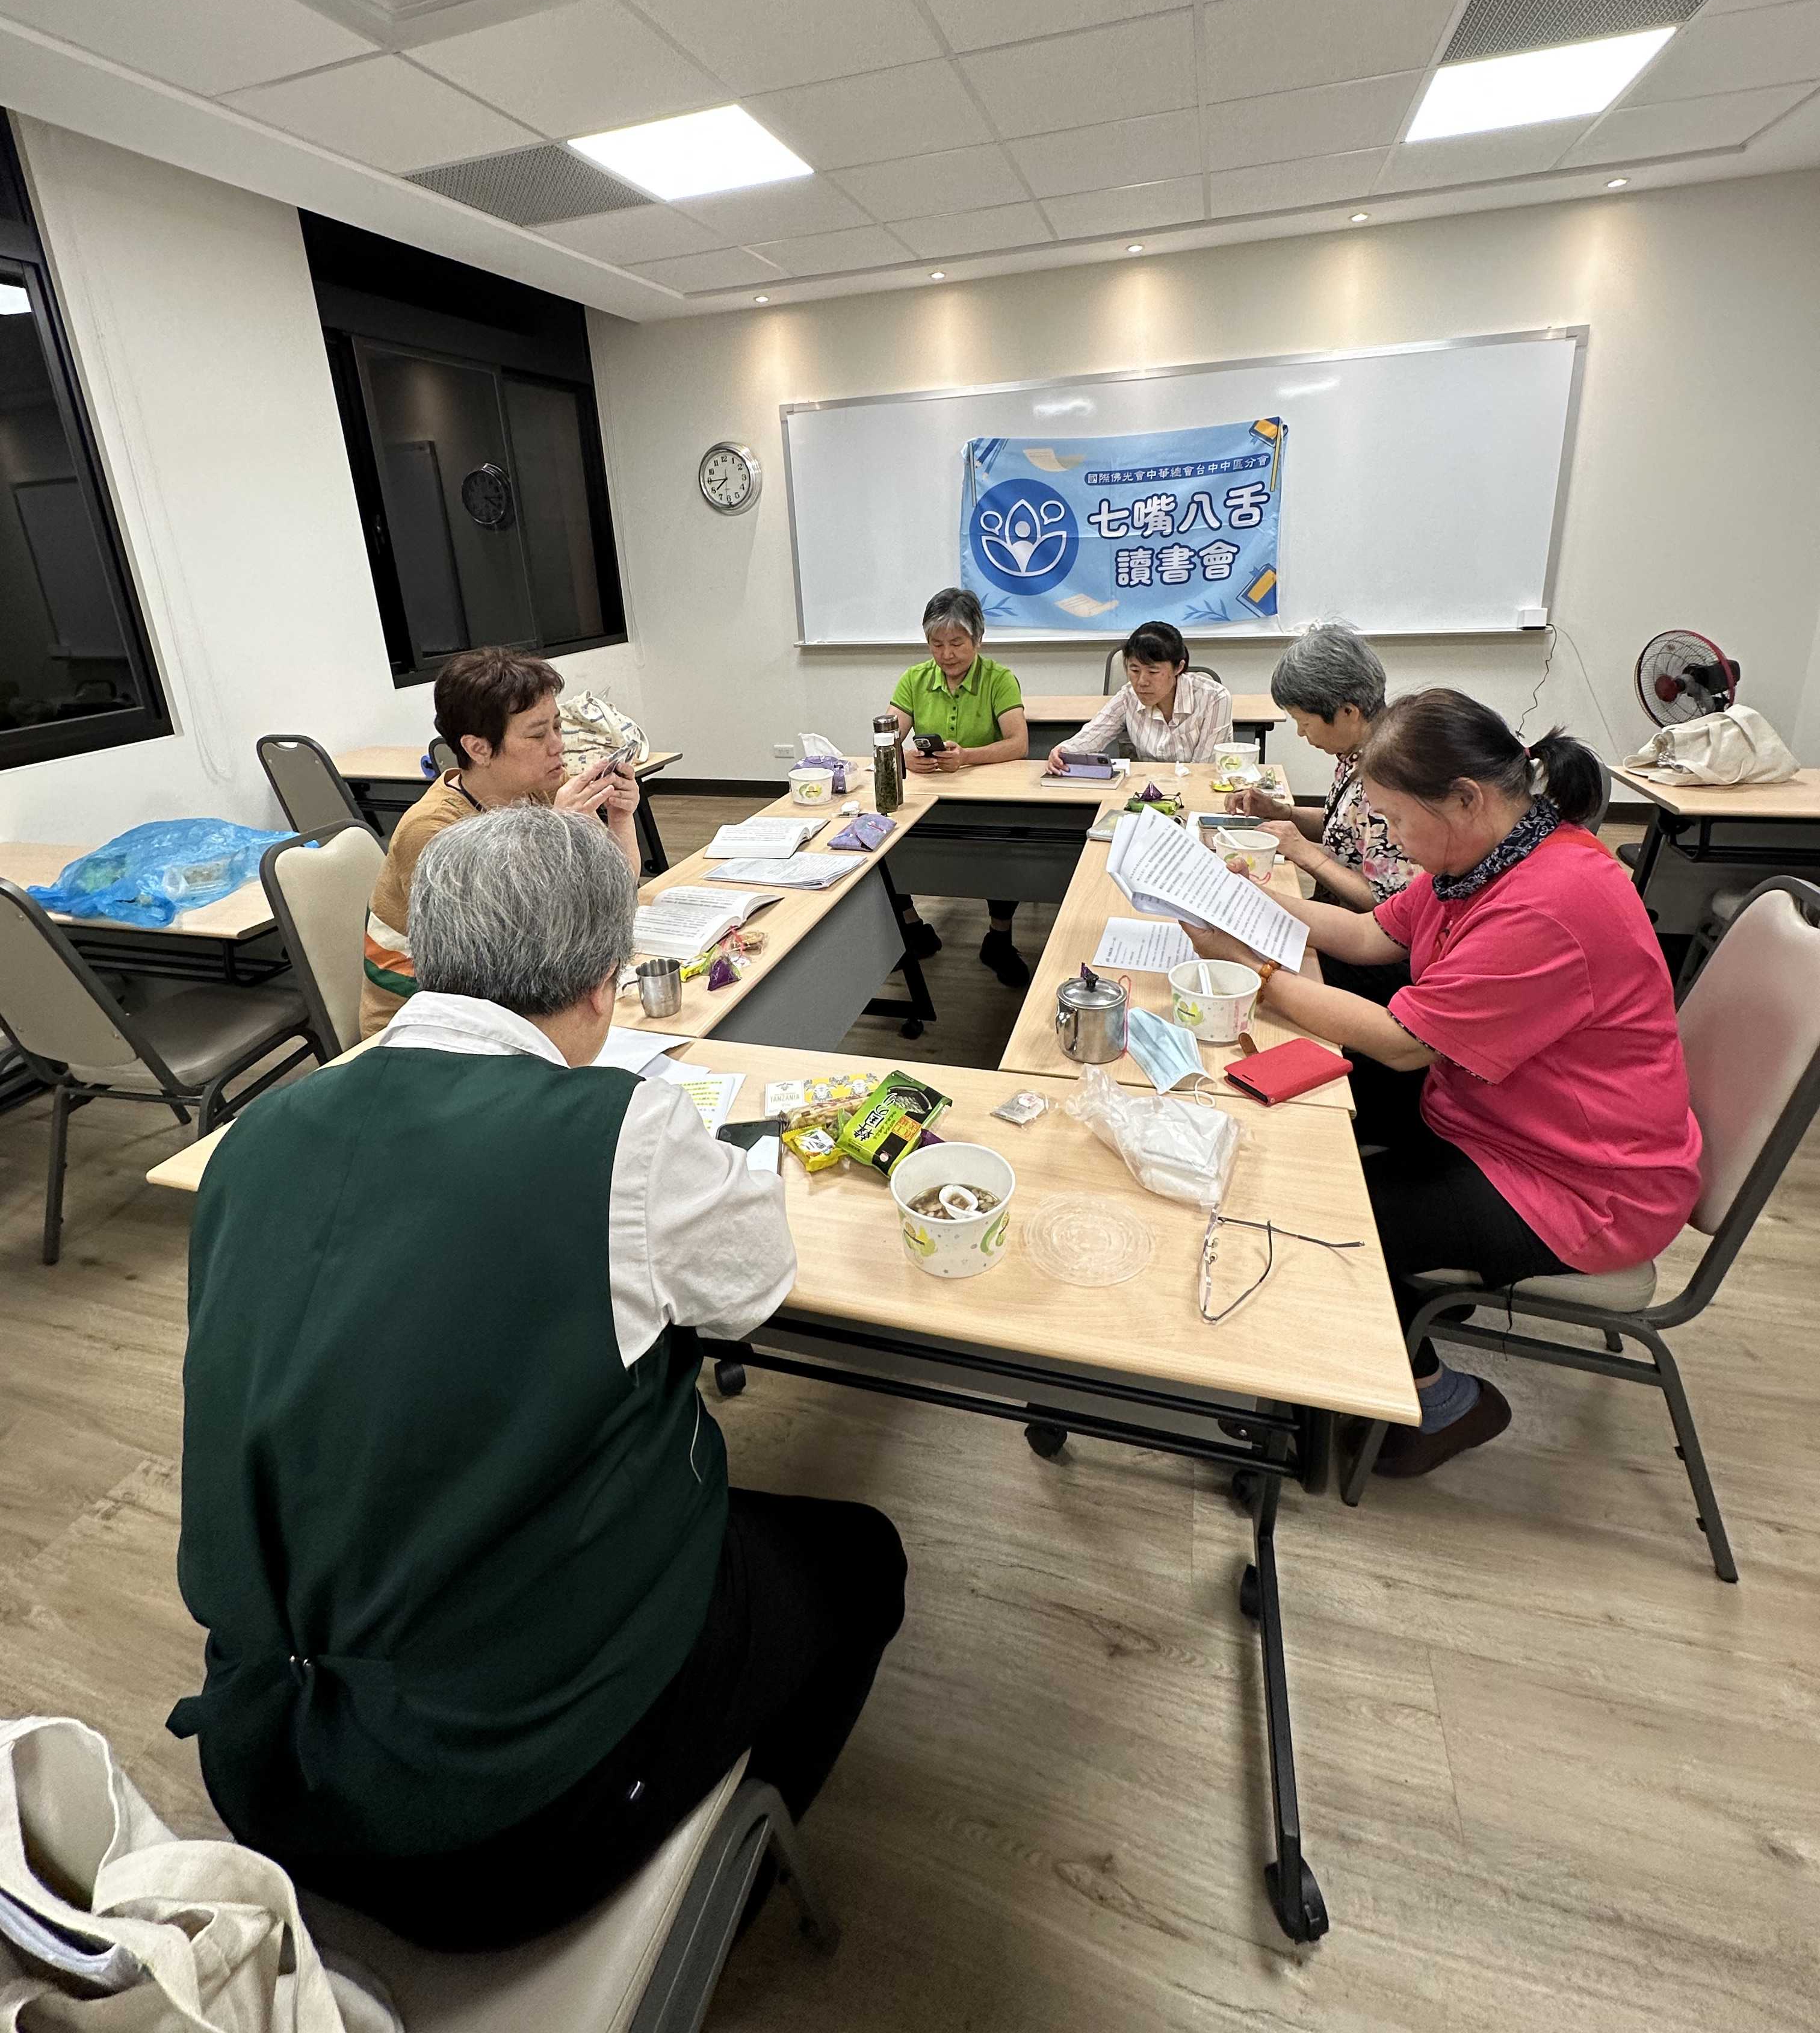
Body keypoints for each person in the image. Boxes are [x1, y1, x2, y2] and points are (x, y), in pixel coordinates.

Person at [170, 804, 907, 1951]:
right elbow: (751, 1287)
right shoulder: (621, 1130)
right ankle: (716, 1900)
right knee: (859, 1560)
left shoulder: (256, 1137)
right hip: (498, 1830)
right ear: (606, 987)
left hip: (268, 1767)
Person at [1184, 690, 1699, 1479]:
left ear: (1465, 798)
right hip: (1497, 1108)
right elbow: (1369, 933)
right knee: (1300, 1123)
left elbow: (1403, 1046)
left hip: (1582, 1181)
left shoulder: (1550, 901)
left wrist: (1252, 970)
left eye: (1395, 820)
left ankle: (1442, 1401)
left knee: (1331, 1215)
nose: (1390, 838)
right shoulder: (1494, 854)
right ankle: (1336, 1338)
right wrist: (1238, 899)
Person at [359, 646, 642, 1038]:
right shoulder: (433, 832)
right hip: (425, 1019)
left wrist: (620, 819)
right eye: (538, 734)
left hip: (516, 991)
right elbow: (503, 954)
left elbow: (616, 896)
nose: (557, 745)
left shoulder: (539, 787)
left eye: (557, 727)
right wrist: (559, 834)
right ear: (479, 748)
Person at [888, 586, 1033, 987]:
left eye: (957, 643)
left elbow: (1019, 744)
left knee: (1004, 849)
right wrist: (903, 757)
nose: (947, 654)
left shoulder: (999, 679)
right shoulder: (914, 679)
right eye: (937, 645)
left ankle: (998, 940)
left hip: (987, 798)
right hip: (926, 796)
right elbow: (886, 737)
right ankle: (913, 928)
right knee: (882, 843)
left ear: (978, 639)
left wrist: (967, 756)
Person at [1227, 623, 1419, 912]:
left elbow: (1388, 905)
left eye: (1304, 722)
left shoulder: (1389, 776)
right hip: (1335, 916)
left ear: (1348, 712)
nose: (1301, 733)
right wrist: (1284, 812)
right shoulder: (1356, 754)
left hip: (1360, 932)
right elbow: (1347, 831)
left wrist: (1305, 853)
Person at [1043, 621, 1232, 769]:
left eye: (1153, 672)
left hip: (1195, 793)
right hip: (1145, 792)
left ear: (1179, 668)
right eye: (1134, 670)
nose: (1142, 681)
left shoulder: (1214, 698)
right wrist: (1064, 751)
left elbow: (1204, 769)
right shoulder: (1129, 695)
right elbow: (1094, 734)